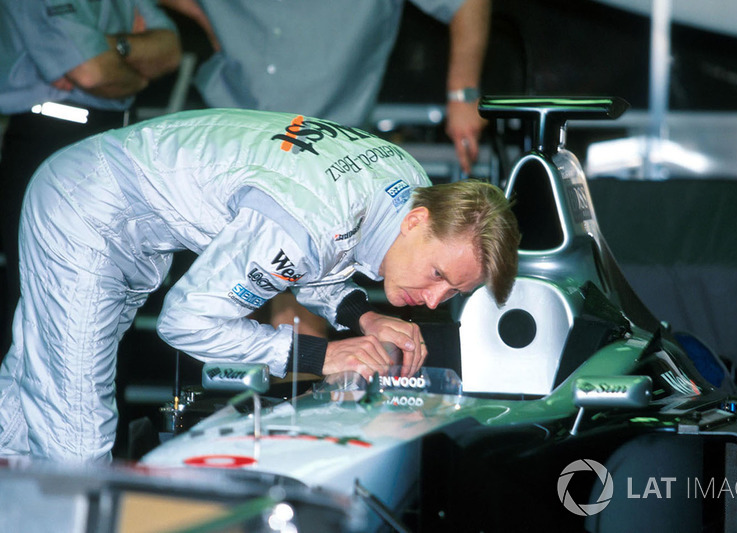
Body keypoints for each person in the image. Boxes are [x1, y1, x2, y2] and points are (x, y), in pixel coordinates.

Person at [0, 109, 520, 462]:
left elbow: (318, 259)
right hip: (89, 211)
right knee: (77, 435)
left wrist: (363, 314)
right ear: (417, 222)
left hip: (112, 202)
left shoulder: (406, 178)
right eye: (438, 276)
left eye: (452, 294)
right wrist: (323, 357)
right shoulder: (309, 216)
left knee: (28, 400)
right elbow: (186, 322)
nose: (433, 301)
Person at [159, 0, 491, 336]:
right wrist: (206, 16)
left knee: (295, 318)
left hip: (327, 149)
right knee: (219, 315)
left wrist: (463, 92)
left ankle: (296, 386)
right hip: (231, 124)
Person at [0, 0, 182, 355]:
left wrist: (110, 49)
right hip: (51, 137)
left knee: (115, 299)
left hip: (116, 137)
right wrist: (134, 71)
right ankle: (29, 412)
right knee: (49, 307)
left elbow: (171, 49)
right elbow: (94, 74)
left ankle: (114, 412)